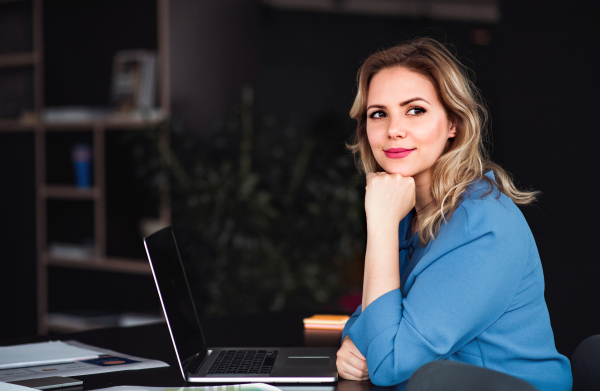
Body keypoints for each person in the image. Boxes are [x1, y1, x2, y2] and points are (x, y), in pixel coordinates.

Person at [336, 38, 572, 391]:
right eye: (378, 113)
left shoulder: (482, 224)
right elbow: (370, 319)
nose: (393, 129)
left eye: (415, 110)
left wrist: (380, 224)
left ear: (454, 124)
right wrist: (351, 344)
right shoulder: (407, 211)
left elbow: (388, 363)